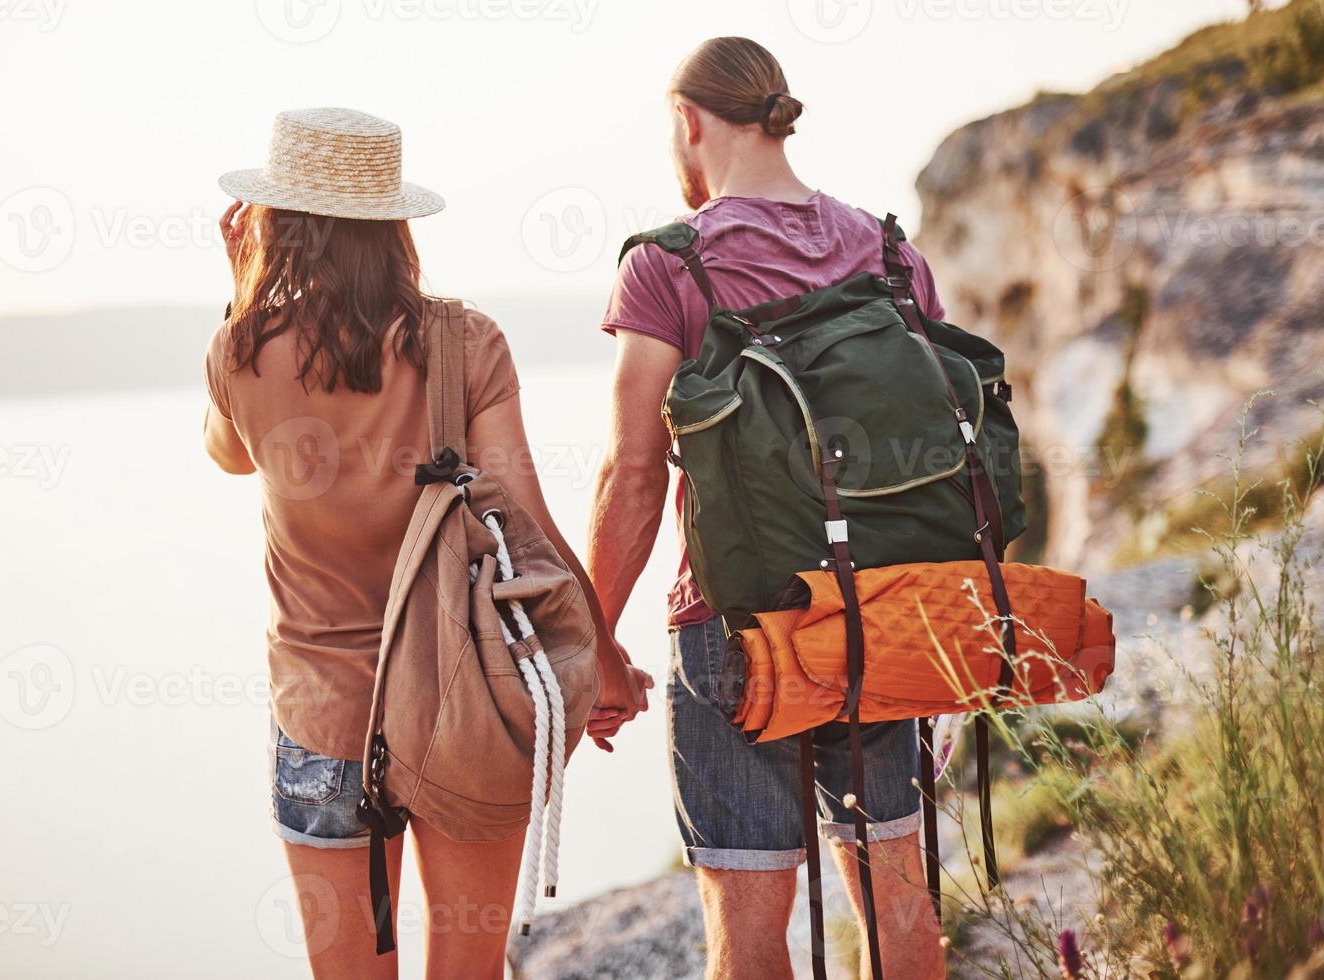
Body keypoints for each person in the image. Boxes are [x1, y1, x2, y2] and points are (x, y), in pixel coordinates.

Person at [203, 107, 649, 979]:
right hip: (468, 702)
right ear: (393, 223)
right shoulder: (465, 342)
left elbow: (226, 454)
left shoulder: (240, 349)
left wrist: (247, 295)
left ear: (276, 223)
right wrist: (603, 657)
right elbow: (530, 523)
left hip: (322, 720)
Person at [586, 39, 947, 980]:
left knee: (747, 941)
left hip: (737, 628)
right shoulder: (891, 252)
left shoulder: (670, 267)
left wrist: (591, 638)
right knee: (900, 903)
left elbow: (633, 473)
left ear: (688, 121)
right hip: (886, 613)